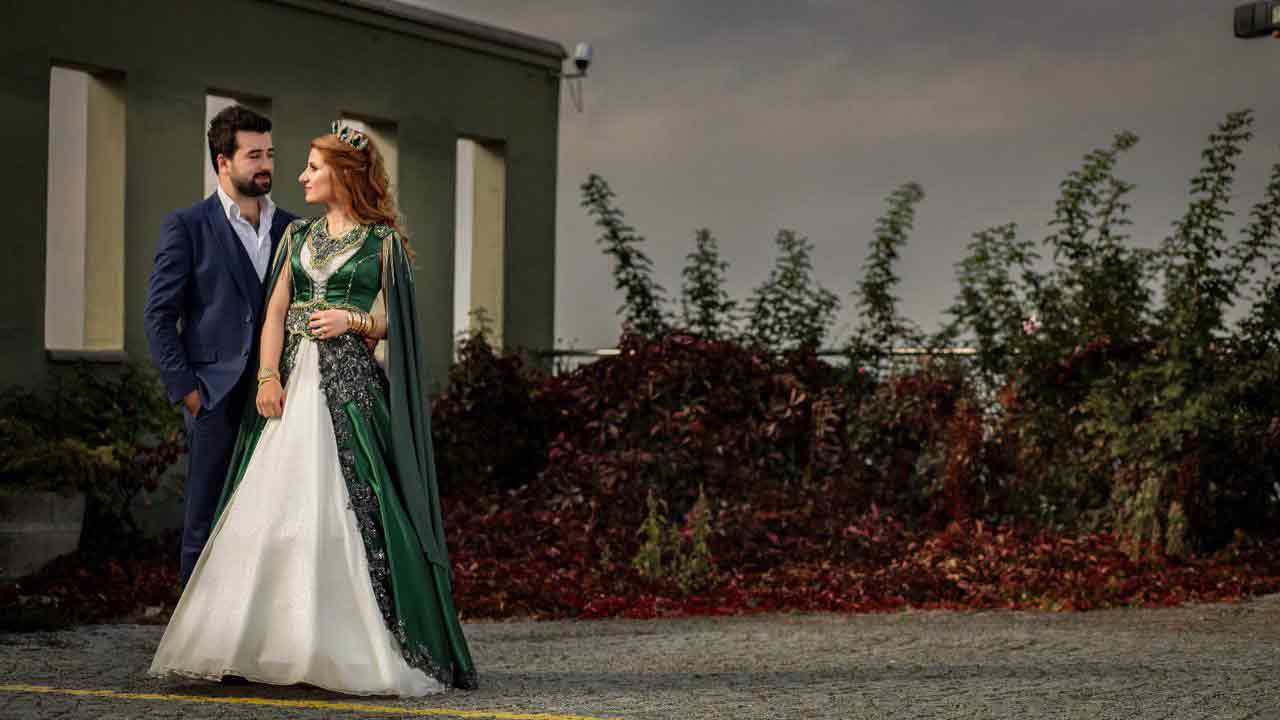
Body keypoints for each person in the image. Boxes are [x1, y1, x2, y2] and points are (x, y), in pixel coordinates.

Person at [149, 123, 477, 696]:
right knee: (266, 509)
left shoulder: (383, 244)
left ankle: (341, 646)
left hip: (349, 390)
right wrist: (267, 377)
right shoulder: (297, 235)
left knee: (348, 508)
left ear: (343, 175)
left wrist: (354, 319)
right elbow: (275, 312)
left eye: (312, 167)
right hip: (290, 387)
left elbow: (398, 324)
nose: (300, 176)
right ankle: (252, 644)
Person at [144, 106, 297, 585]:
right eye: (254, 155)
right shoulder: (188, 226)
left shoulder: (293, 229)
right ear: (222, 162)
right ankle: (196, 627)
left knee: (275, 522)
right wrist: (191, 394)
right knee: (205, 524)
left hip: (282, 398)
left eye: (269, 153)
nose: (266, 164)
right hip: (214, 396)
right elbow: (159, 315)